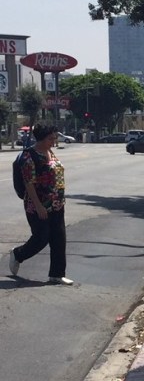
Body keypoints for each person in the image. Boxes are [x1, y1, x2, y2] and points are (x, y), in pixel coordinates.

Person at [8, 122, 73, 285]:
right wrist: (38, 205)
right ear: (41, 139)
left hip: (57, 203)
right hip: (38, 205)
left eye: (55, 138)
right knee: (41, 237)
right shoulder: (29, 156)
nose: (54, 141)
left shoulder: (49, 152)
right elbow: (28, 182)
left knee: (59, 238)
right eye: (51, 138)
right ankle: (18, 255)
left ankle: (57, 274)